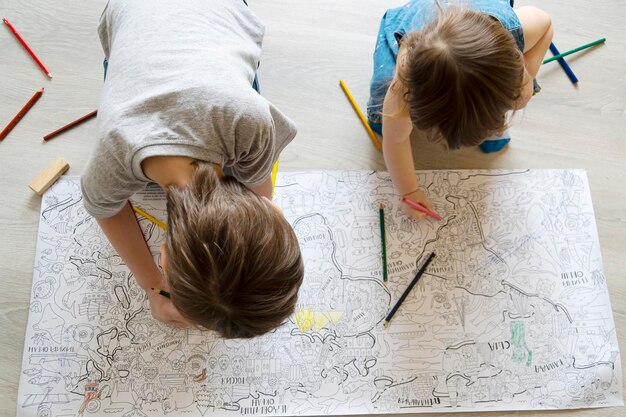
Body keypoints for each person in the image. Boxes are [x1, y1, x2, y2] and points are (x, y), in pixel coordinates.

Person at [81, 0, 304, 338]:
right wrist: (153, 287)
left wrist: (158, 284)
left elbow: (105, 207)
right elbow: (103, 209)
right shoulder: (113, 152)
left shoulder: (252, 120)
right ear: (164, 256)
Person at [367, 0, 553, 220]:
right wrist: (409, 191)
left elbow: (546, 25)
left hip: (482, 25)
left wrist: (527, 75)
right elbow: (395, 141)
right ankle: (380, 117)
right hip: (404, 30)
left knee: (521, 95)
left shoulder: (515, 29)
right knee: (387, 111)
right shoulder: (404, 84)